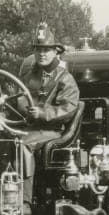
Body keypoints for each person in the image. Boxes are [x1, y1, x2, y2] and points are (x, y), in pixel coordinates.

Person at [13, 22, 81, 156]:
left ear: (55, 51)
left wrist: (42, 113)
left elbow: (68, 109)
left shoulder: (65, 78)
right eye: (38, 50)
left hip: (51, 131)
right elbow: (17, 101)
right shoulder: (28, 77)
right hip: (28, 128)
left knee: (21, 144)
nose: (42, 54)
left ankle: (24, 178)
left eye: (46, 50)